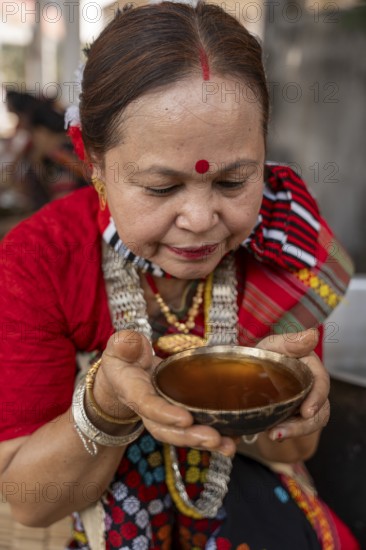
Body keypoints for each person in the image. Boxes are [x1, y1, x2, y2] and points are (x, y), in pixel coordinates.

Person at [0, 2, 359, 549]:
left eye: (235, 181)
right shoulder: (39, 260)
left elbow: (294, 452)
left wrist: (284, 399)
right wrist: (105, 408)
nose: (199, 222)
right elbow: (28, 498)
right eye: (162, 188)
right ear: (94, 164)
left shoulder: (287, 243)